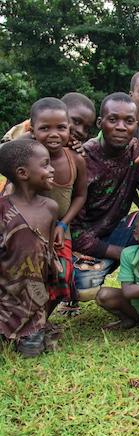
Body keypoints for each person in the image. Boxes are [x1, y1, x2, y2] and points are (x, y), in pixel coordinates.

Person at [70, 93, 139, 305]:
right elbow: (74, 232)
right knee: (82, 286)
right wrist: (126, 254)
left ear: (137, 124)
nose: (121, 127)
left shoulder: (137, 150)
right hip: (84, 241)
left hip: (117, 230)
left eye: (129, 121)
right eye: (113, 120)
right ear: (100, 123)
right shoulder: (83, 159)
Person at [0, 139, 58, 357]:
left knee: (30, 352)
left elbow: (48, 255)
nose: (52, 169)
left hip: (35, 300)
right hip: (5, 298)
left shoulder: (50, 208)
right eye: (45, 165)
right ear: (23, 173)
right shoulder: (3, 209)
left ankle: (34, 327)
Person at [29, 98, 87, 307]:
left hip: (60, 231)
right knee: (30, 275)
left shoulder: (76, 159)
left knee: (61, 277)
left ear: (69, 129)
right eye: (45, 128)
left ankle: (42, 320)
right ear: (32, 129)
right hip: (29, 230)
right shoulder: (24, 158)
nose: (54, 134)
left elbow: (80, 195)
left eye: (61, 127)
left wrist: (63, 224)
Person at [1, 92, 96, 145]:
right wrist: (30, 136)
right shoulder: (30, 130)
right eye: (76, 121)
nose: (81, 131)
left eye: (86, 128)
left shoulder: (77, 145)